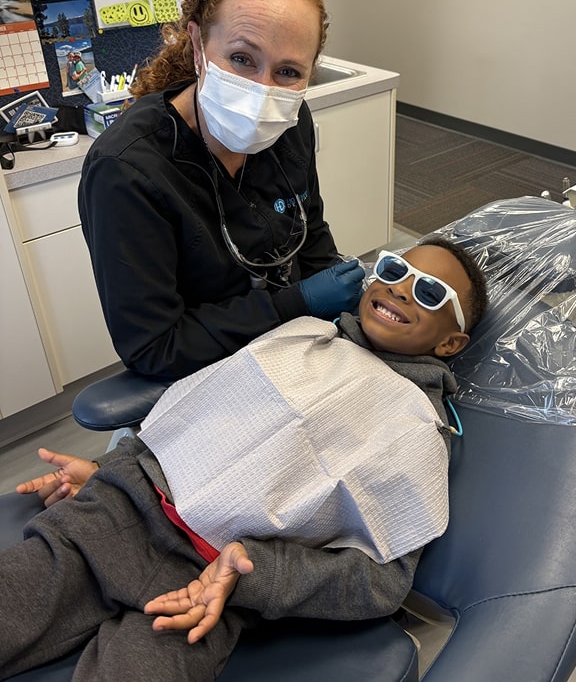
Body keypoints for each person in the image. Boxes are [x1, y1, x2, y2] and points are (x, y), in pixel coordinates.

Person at [6, 239, 488, 681]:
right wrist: (105, 471)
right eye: (393, 268)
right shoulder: (298, 337)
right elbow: (189, 417)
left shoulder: (418, 429)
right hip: (118, 515)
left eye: (428, 291)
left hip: (208, 589)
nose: (401, 289)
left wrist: (254, 569)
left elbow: (380, 582)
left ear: (450, 344)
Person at [78, 0, 365, 384]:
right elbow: (155, 348)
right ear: (197, 43)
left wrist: (346, 299)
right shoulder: (127, 170)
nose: (264, 90)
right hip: (203, 378)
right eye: (241, 59)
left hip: (297, 348)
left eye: (288, 72)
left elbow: (309, 234)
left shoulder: (289, 122)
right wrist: (297, 303)